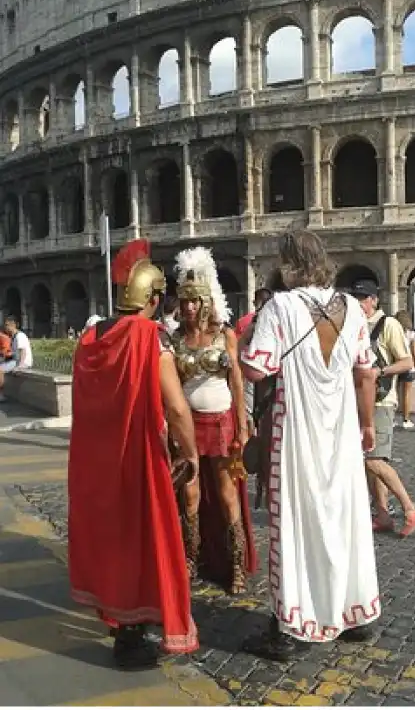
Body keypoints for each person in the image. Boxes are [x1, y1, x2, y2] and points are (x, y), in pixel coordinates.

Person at [238, 230, 380, 661]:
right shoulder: (352, 308)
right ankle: (354, 614)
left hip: (296, 428)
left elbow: (255, 369)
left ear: (288, 262)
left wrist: (238, 343)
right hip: (340, 429)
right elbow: (365, 371)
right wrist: (367, 425)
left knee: (297, 523)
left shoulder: (280, 306)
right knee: (344, 517)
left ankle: (292, 627)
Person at [68, 239, 199, 669]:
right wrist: (191, 454)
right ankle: (132, 635)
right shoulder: (149, 338)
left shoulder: (89, 337)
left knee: (110, 542)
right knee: (143, 542)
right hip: (137, 456)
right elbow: (177, 408)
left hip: (94, 462)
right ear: (155, 299)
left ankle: (117, 620)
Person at [172, 246, 257, 595]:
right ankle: (191, 560)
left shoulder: (226, 335)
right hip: (189, 426)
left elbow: (237, 381)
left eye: (195, 301)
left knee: (226, 494)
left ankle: (236, 564)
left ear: (207, 301)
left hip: (221, 423)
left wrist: (241, 424)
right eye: (185, 301)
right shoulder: (175, 338)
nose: (190, 307)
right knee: (189, 496)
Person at [352, 281, 415, 537]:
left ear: (374, 299)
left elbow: (405, 362)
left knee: (373, 460)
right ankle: (381, 513)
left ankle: (410, 507)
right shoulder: (354, 325)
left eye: (363, 297)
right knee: (370, 461)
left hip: (381, 401)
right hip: (359, 401)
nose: (358, 302)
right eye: (355, 296)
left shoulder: (389, 324)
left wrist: (379, 372)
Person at [235, 288, 273, 436]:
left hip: (249, 367)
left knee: (250, 405)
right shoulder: (276, 320)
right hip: (270, 371)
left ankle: (252, 432)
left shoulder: (245, 320)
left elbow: (239, 345)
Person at [394, 310, 415, 429]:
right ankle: (406, 419)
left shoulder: (394, 332)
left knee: (393, 393)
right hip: (409, 364)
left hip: (396, 364)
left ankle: (392, 418)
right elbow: (414, 353)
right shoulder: (411, 334)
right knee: (406, 394)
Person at [0, 316, 33, 403]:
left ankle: (1, 394)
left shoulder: (20, 336)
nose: (5, 327)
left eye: (7, 325)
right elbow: (14, 353)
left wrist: (20, 366)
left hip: (22, 362)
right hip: (15, 361)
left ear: (13, 325)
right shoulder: (13, 337)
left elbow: (23, 351)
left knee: (0, 370)